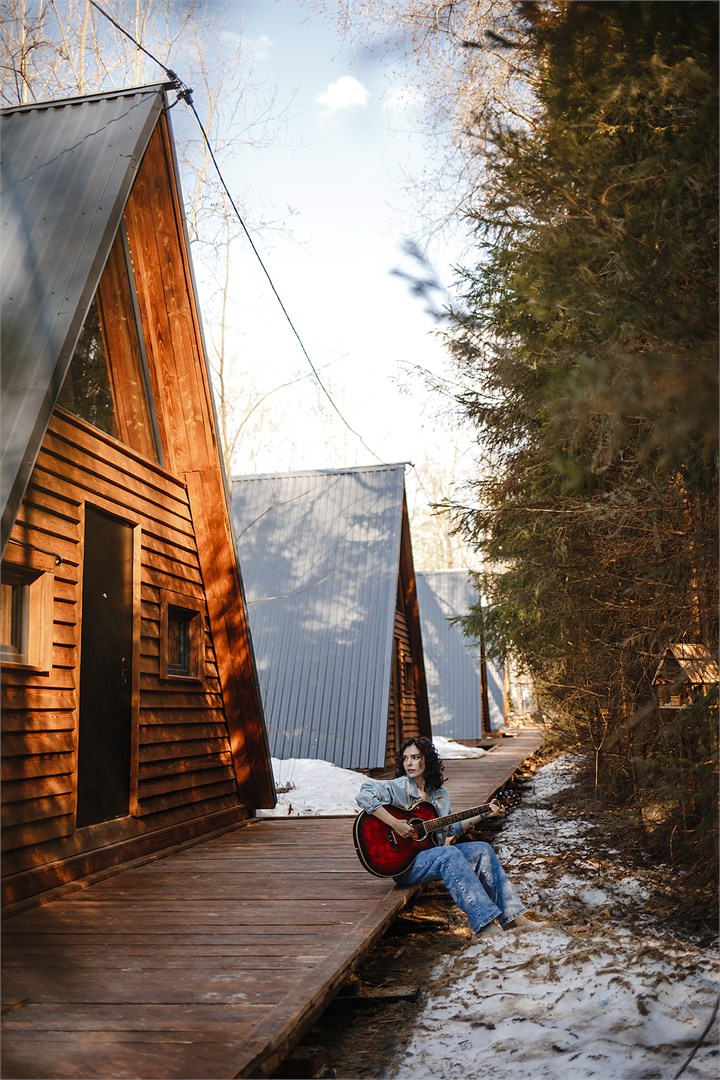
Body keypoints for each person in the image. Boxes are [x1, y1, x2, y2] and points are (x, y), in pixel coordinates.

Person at [355, 736, 539, 937]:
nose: (409, 763)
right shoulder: (397, 787)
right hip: (404, 863)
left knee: (482, 850)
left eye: (415, 757)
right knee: (448, 854)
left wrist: (485, 813)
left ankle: (512, 918)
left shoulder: (440, 794)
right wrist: (395, 824)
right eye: (406, 758)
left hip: (431, 854)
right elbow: (364, 795)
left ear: (427, 760)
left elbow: (450, 828)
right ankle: (485, 924)